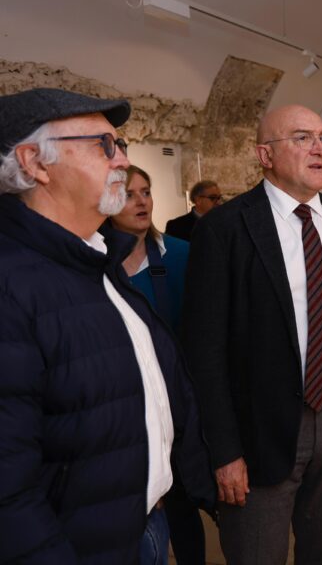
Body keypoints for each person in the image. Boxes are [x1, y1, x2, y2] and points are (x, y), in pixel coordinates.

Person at [181, 103, 322, 564]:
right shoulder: (225, 230)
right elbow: (204, 352)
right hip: (260, 428)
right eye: (302, 138)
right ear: (265, 155)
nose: (320, 149)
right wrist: (223, 450)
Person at [0, 87, 215, 563]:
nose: (120, 160)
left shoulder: (98, 260)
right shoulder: (12, 284)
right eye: (104, 146)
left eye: (120, 146)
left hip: (144, 525)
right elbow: (9, 489)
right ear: (35, 162)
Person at [108, 164, 207, 564]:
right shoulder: (96, 262)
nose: (141, 201)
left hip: (177, 407)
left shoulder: (181, 254)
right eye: (129, 194)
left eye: (146, 192)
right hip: (124, 406)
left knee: (182, 505)